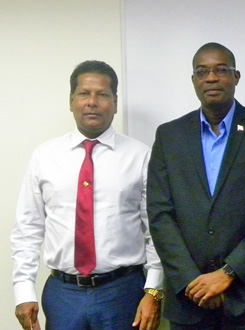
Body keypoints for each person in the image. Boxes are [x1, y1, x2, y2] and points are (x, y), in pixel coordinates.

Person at [147, 42, 245, 330]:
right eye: (202, 71)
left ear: (236, 77)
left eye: (221, 70)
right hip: (189, 300)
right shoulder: (169, 136)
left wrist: (228, 273)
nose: (211, 78)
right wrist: (192, 281)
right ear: (193, 81)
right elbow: (160, 215)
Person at [11, 60, 164, 330]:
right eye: (84, 94)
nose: (92, 102)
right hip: (63, 294)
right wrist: (24, 292)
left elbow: (157, 229)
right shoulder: (45, 156)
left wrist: (153, 289)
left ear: (115, 103)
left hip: (123, 292)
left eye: (102, 95)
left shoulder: (140, 156)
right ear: (71, 101)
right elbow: (28, 229)